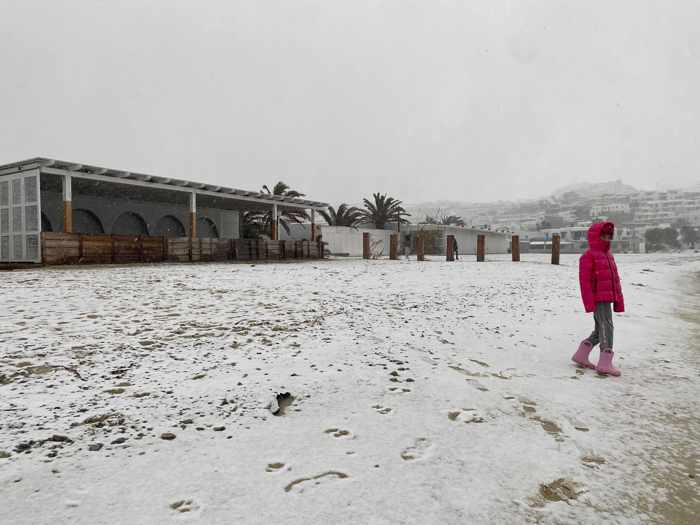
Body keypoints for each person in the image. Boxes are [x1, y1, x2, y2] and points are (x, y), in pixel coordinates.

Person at [572, 222, 625, 376]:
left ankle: (581, 355)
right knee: (606, 327)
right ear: (595, 236)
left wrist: (618, 298)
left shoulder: (608, 255)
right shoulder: (588, 256)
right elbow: (585, 282)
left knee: (600, 328)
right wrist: (589, 303)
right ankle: (605, 362)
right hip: (598, 299)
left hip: (607, 297)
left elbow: (614, 279)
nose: (607, 238)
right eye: (603, 235)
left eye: (609, 236)